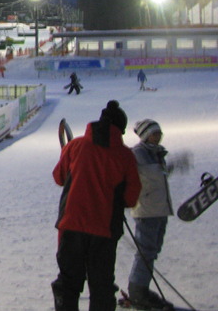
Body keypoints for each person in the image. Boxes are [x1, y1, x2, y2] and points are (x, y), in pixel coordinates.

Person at [52, 100, 141, 311]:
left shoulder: (76, 146)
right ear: (119, 129)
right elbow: (131, 198)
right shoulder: (125, 156)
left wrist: (68, 157)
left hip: (71, 226)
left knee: (68, 284)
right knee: (101, 288)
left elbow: (59, 177)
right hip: (104, 231)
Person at [126, 119, 190, 310]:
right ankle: (137, 292)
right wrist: (167, 167)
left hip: (159, 209)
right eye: (154, 133)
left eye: (159, 133)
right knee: (145, 252)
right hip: (146, 211)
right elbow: (150, 175)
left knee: (152, 251)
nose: (158, 136)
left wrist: (171, 166)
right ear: (146, 135)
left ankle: (142, 288)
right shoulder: (138, 154)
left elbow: (157, 175)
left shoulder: (155, 153)